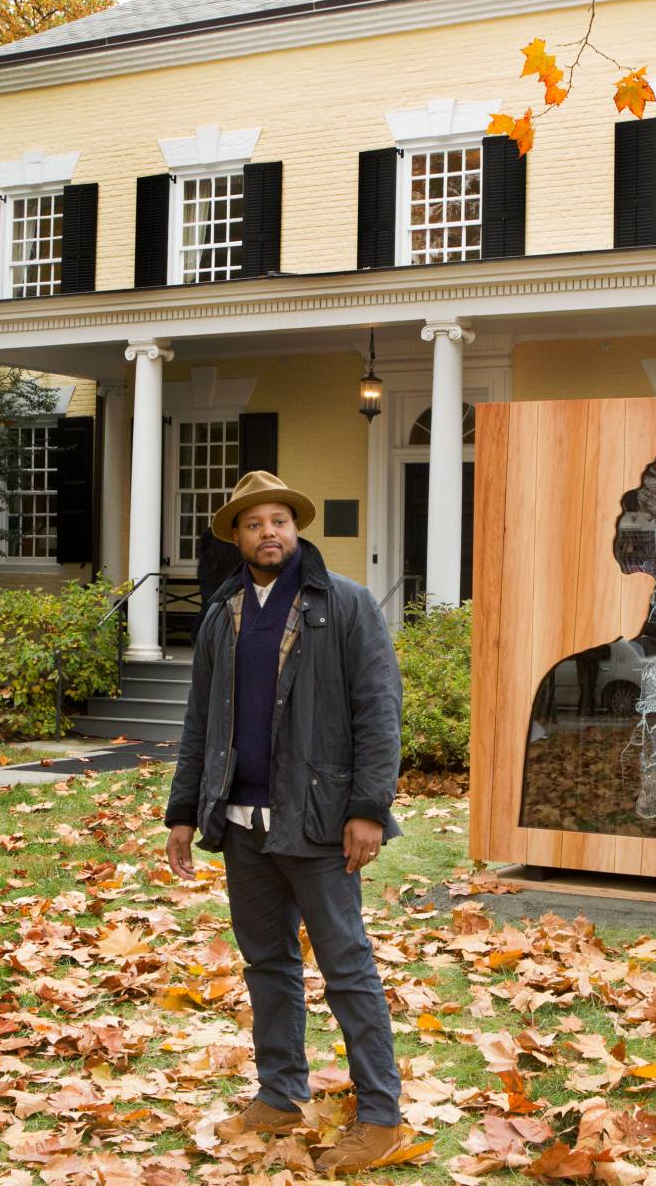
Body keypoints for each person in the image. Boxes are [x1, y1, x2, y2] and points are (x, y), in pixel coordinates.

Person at [163, 469, 410, 1174]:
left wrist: (368, 809)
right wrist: (184, 811)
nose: (267, 532)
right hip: (242, 824)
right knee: (267, 962)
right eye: (253, 524)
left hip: (318, 821)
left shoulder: (346, 605)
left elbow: (379, 711)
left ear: (294, 529)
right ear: (237, 538)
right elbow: (200, 720)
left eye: (278, 520)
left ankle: (382, 1117)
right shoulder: (223, 613)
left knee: (346, 967)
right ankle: (279, 1095)